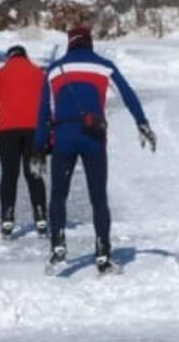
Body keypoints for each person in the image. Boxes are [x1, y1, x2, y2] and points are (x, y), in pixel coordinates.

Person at [34, 24, 156, 274]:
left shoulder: (55, 69)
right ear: (89, 42)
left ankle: (58, 244)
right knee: (98, 197)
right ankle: (103, 253)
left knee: (58, 194)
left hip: (64, 137)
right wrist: (141, 122)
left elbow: (44, 111)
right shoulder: (104, 65)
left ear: (70, 43)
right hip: (93, 136)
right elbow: (128, 94)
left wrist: (38, 145)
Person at [0, 45, 48, 238]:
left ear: (9, 57)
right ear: (25, 56)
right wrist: (49, 132)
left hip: (6, 131)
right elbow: (47, 103)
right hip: (34, 130)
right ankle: (41, 215)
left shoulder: (2, 73)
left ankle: (7, 217)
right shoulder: (38, 73)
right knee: (34, 173)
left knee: (9, 174)